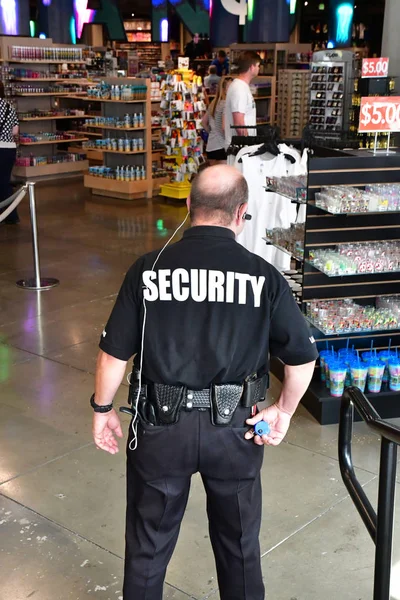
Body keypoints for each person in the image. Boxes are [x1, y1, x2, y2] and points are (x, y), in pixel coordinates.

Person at [91, 164, 318, 600]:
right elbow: (302, 359)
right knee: (239, 548)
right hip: (238, 428)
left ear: (190, 205)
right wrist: (284, 412)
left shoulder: (148, 269)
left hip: (160, 428)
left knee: (147, 548)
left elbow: (113, 354)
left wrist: (102, 411)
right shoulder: (264, 276)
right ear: (241, 213)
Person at [224, 50, 260, 148]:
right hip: (239, 148)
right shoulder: (239, 88)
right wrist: (247, 147)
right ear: (252, 67)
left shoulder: (241, 86)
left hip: (241, 147)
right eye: (258, 65)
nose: (259, 68)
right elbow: (239, 124)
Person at [0, 83, 19, 224]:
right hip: (9, 148)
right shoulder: (9, 107)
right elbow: (15, 131)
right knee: (5, 182)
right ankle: (11, 216)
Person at [202, 77, 232, 164]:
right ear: (224, 89)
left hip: (211, 146)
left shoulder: (213, 103)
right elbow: (224, 127)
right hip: (221, 146)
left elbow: (204, 122)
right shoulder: (226, 104)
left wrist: (212, 132)